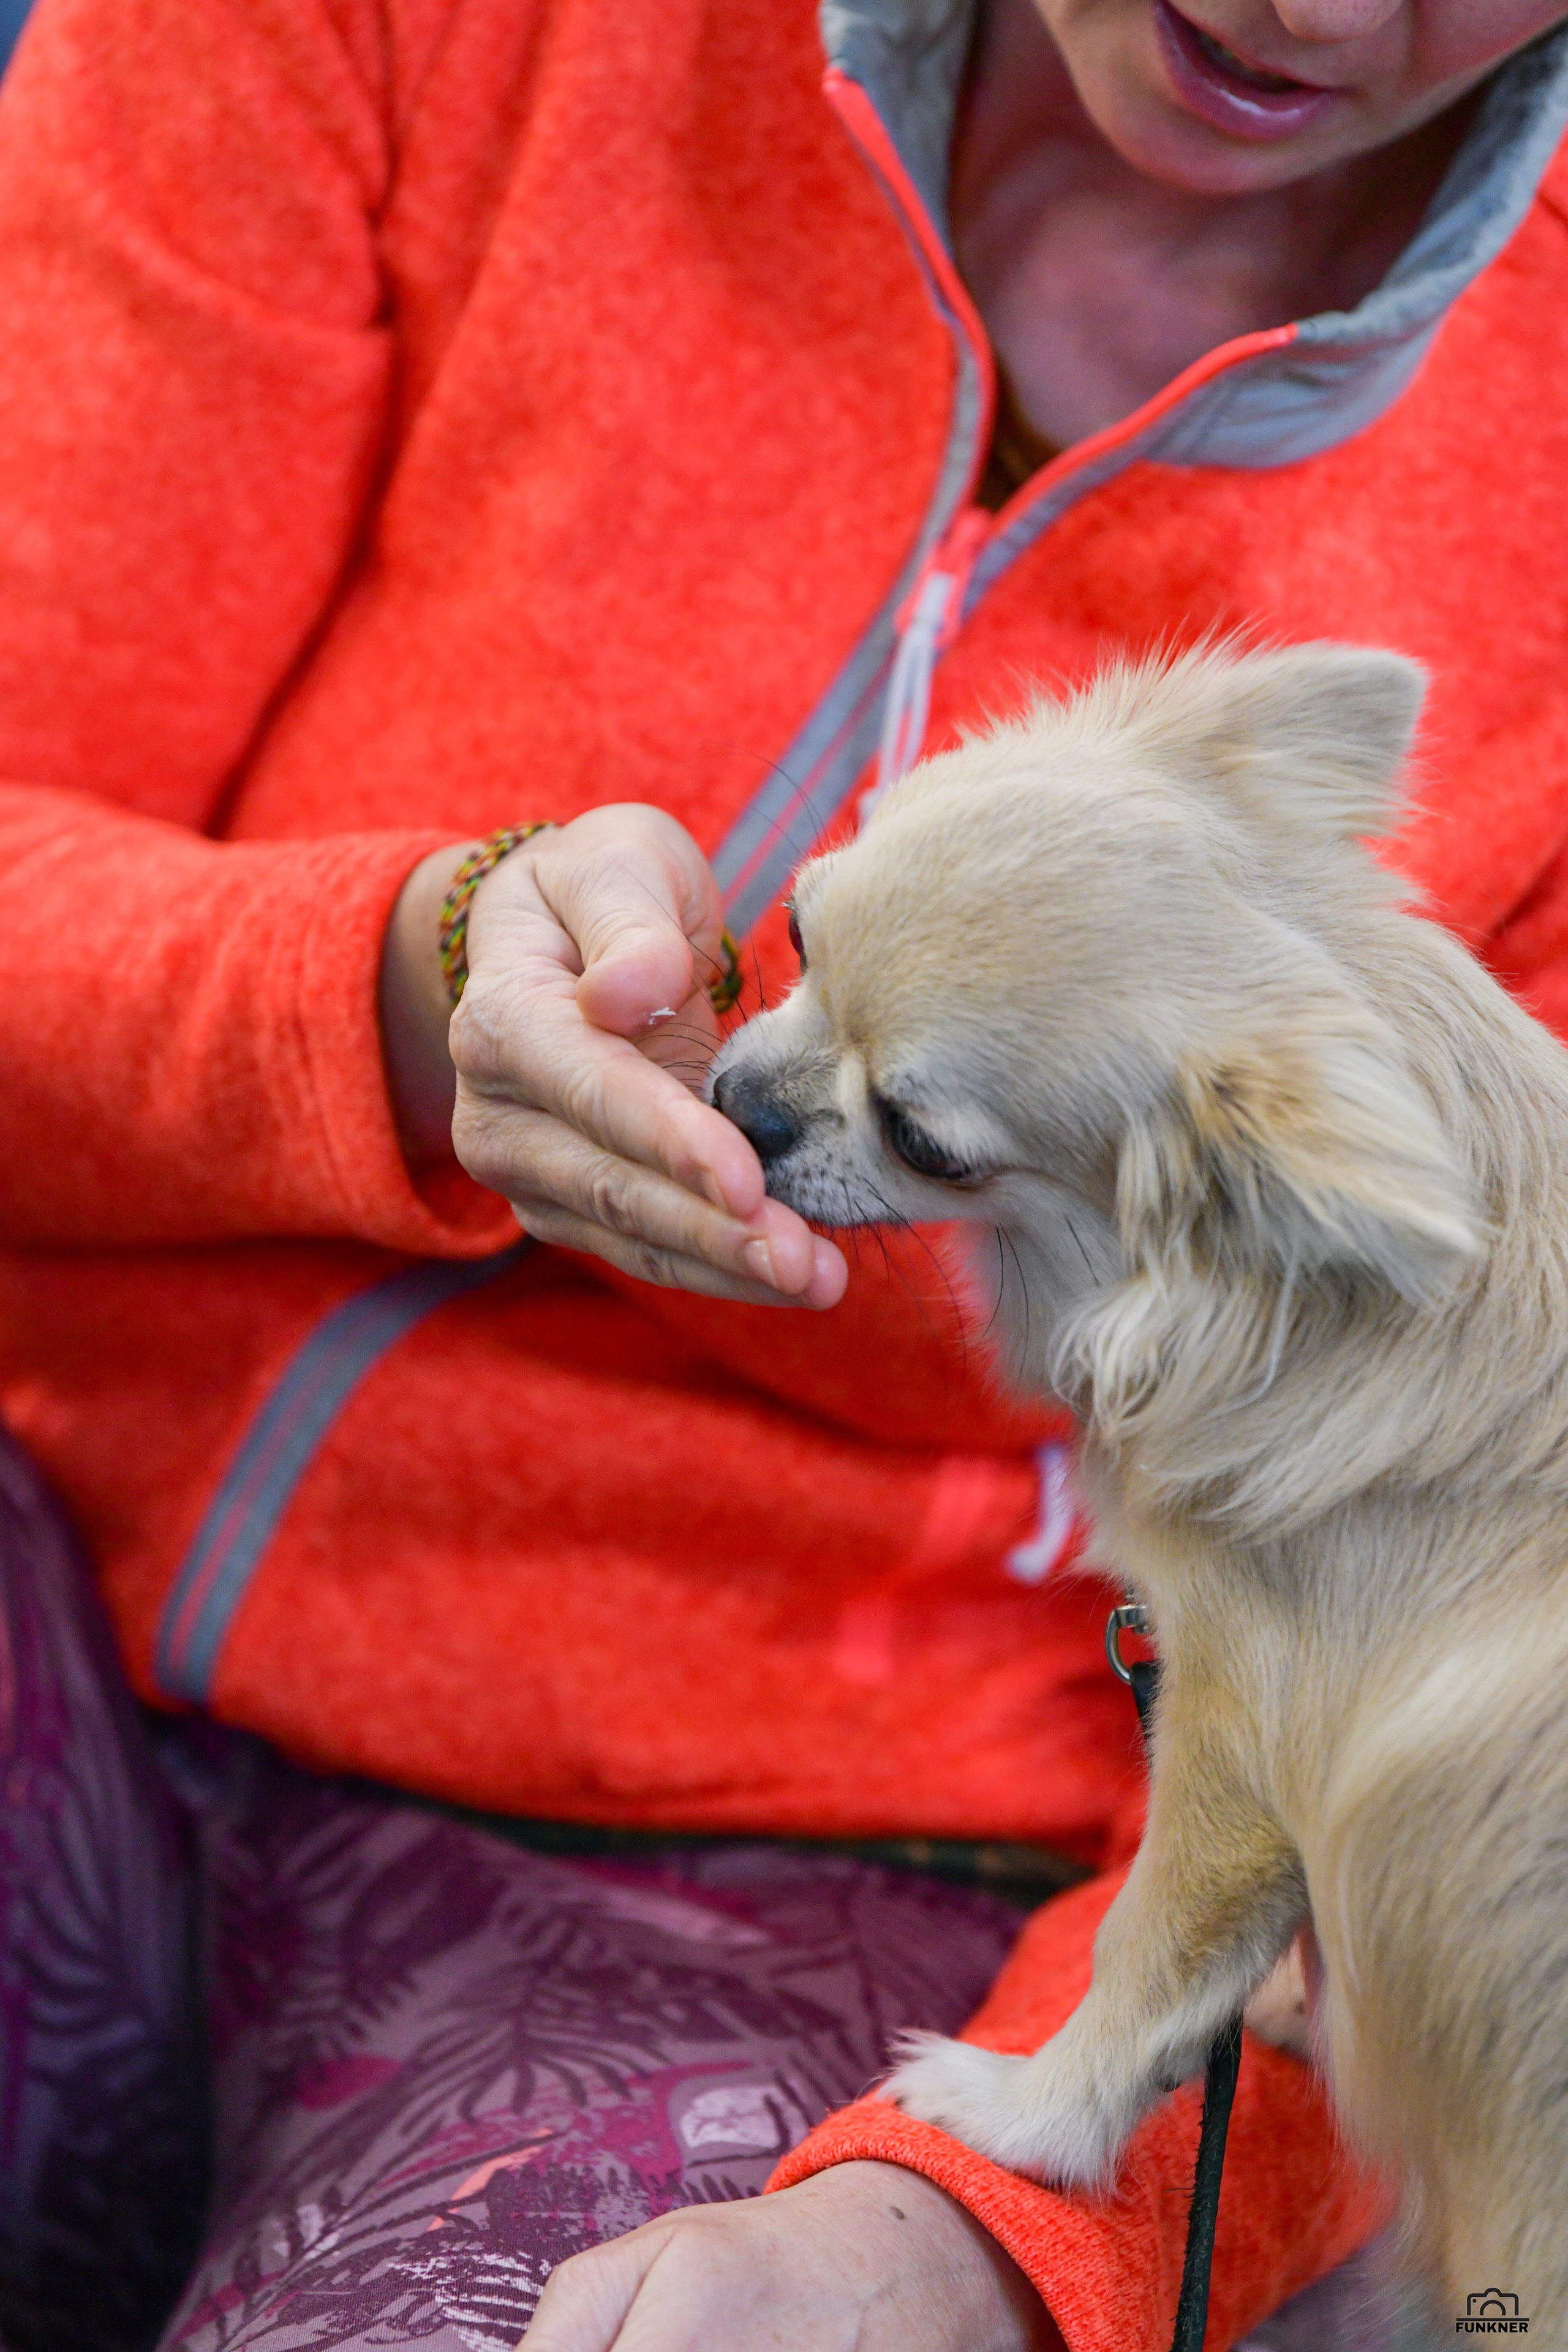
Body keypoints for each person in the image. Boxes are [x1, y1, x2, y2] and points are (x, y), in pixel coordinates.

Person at [1, 0, 1567, 2346]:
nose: (1319, 8)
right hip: (59, 1574)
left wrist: (981, 2227)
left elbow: (1454, 1782)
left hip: (858, 1879)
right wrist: (399, 995)